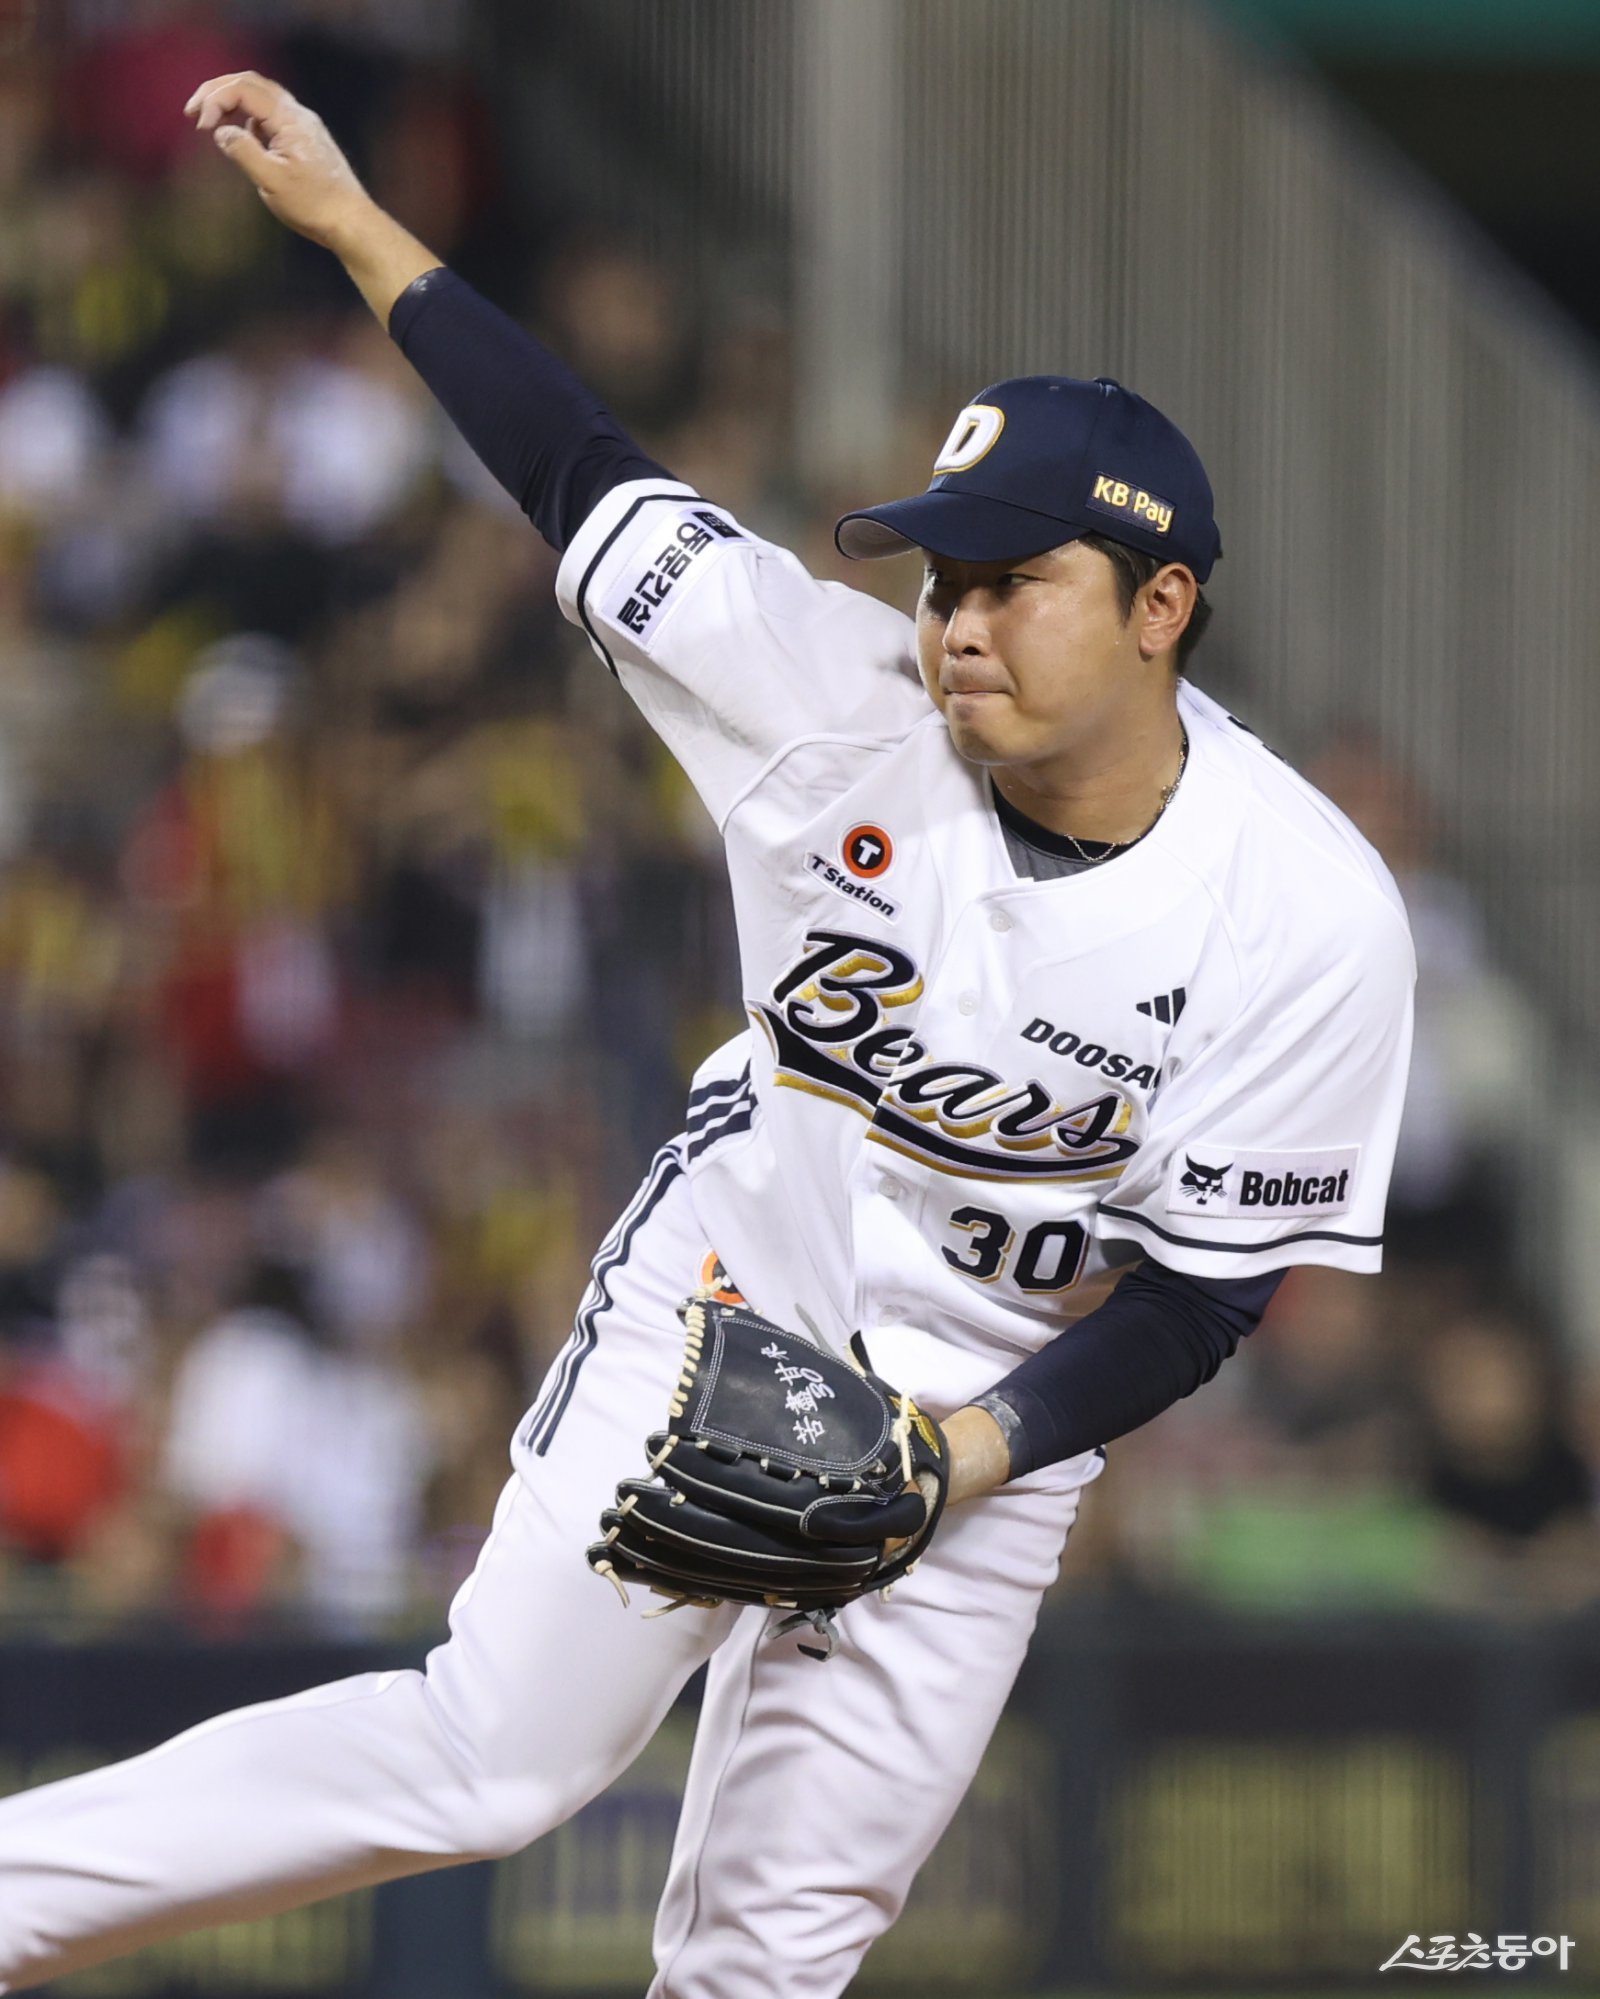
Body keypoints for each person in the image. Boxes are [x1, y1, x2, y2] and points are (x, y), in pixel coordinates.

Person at [0, 75, 1415, 1997]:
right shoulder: (822, 689)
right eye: (943, 576)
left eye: (1015, 582)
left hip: (1003, 1412)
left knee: (771, 1957)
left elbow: (1205, 1295)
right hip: (728, 1302)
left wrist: (968, 1456)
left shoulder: (1307, 911)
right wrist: (350, 223)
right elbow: (576, 468)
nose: (956, 623)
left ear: (1162, 605)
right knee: (489, 1759)